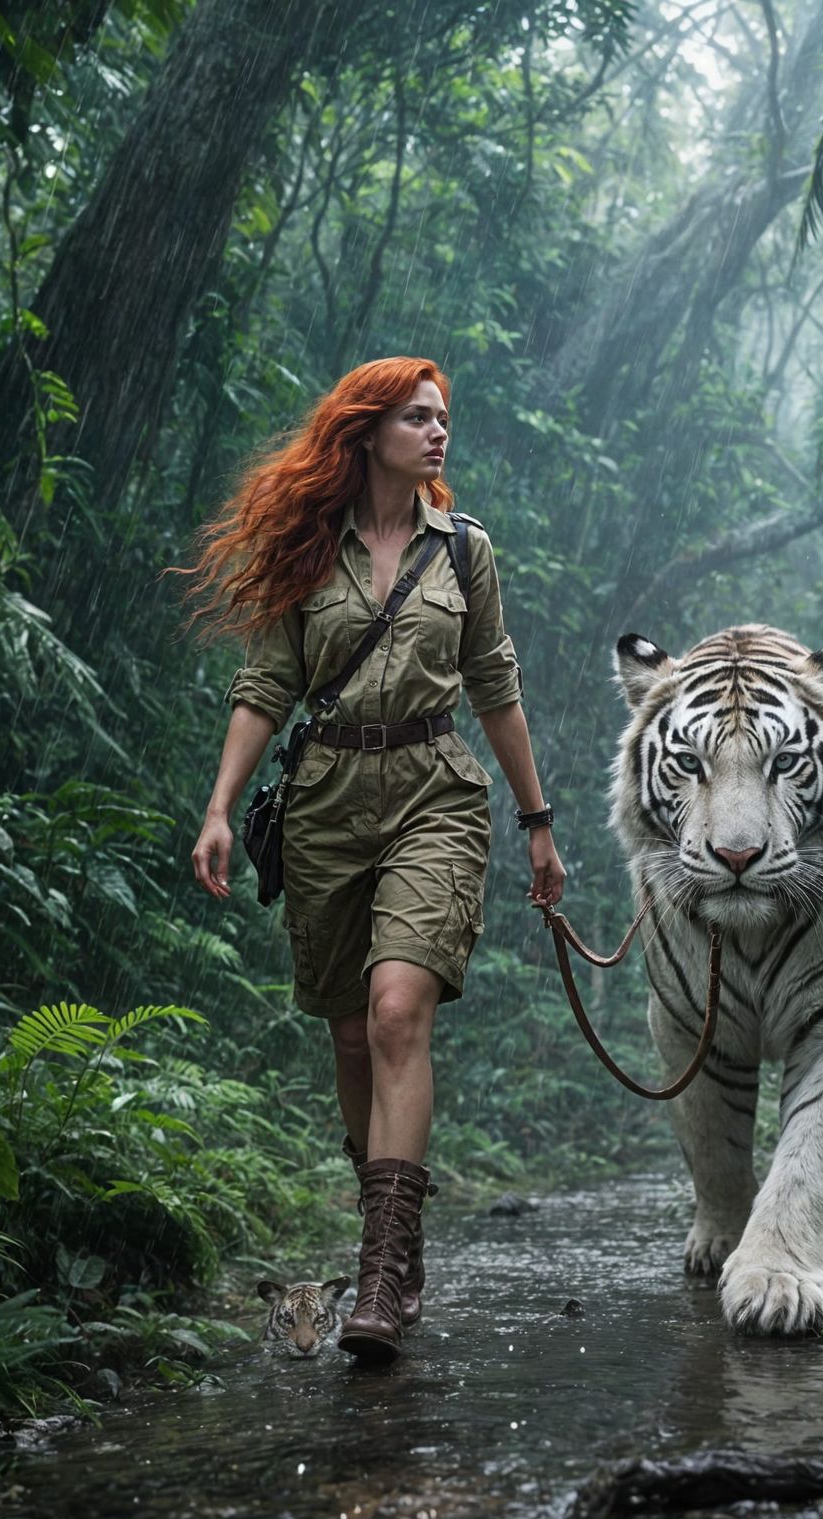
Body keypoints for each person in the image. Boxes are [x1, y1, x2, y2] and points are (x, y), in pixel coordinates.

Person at [182, 357, 566, 1364]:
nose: (438, 434)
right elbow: (266, 683)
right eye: (416, 418)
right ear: (367, 433)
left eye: (443, 419)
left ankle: (385, 1273)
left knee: (399, 1010)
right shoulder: (309, 547)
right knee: (351, 1036)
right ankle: (389, 1235)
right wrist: (220, 806)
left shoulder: (465, 550)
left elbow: (494, 683)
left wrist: (538, 819)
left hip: (434, 791)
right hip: (324, 804)